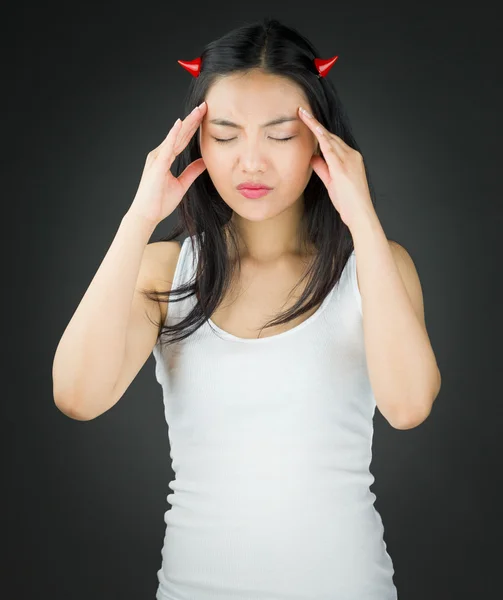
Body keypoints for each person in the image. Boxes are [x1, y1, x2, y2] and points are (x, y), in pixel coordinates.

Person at [53, 16, 441, 600]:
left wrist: (362, 218)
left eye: (281, 135)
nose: (251, 163)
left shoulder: (375, 265)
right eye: (227, 135)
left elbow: (409, 406)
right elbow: (78, 396)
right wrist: (139, 219)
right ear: (195, 140)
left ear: (320, 138)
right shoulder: (164, 271)